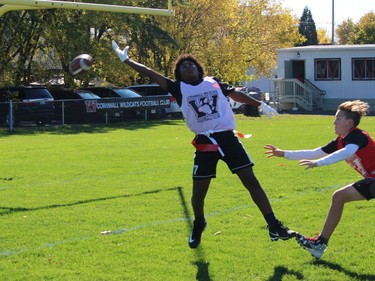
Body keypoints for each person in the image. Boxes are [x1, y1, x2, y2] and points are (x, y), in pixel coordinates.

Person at [112, 41, 296, 248]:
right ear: (179, 74)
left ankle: (273, 224)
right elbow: (150, 72)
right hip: (204, 142)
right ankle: (199, 222)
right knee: (198, 192)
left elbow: (234, 93)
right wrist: (126, 60)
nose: (188, 66)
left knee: (251, 182)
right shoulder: (178, 88)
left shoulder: (213, 82)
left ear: (198, 68)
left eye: (191, 64)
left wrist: (259, 104)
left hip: (227, 138)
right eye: (183, 66)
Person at [264, 100, 375, 259]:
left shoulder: (358, 135)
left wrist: (320, 163)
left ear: (349, 123)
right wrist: (284, 153)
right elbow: (314, 152)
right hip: (372, 180)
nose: (334, 122)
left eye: (337, 118)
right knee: (339, 196)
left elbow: (348, 151)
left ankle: (319, 244)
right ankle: (319, 244)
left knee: (339, 196)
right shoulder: (340, 141)